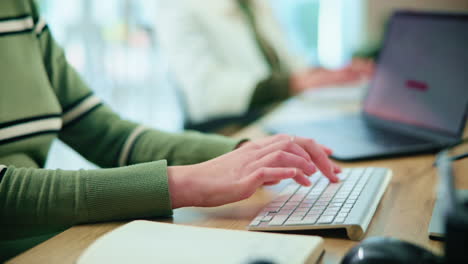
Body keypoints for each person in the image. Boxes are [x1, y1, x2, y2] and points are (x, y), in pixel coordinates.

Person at [0, 0, 341, 260]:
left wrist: (244, 153)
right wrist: (183, 183)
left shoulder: (20, 8)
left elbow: (107, 135)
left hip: (53, 240)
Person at [154, 0, 373, 131]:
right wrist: (291, 84)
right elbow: (205, 95)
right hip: (231, 129)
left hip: (279, 115)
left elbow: (290, 65)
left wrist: (332, 75)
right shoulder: (177, 6)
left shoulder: (255, 4)